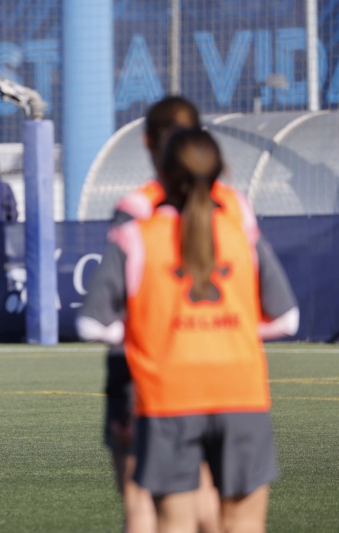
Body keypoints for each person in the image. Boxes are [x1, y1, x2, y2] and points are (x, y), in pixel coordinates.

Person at [78, 127, 299, 532]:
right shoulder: (240, 233)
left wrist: (154, 331)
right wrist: (224, 331)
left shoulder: (136, 236)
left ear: (161, 173)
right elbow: (286, 319)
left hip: (169, 396)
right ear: (220, 173)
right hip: (241, 392)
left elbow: (93, 322)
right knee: (244, 524)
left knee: (173, 523)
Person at [105, 96, 226, 533]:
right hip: (215, 363)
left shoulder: (137, 209)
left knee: (142, 503)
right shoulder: (232, 207)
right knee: (208, 500)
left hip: (144, 368)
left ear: (148, 142)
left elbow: (106, 310)